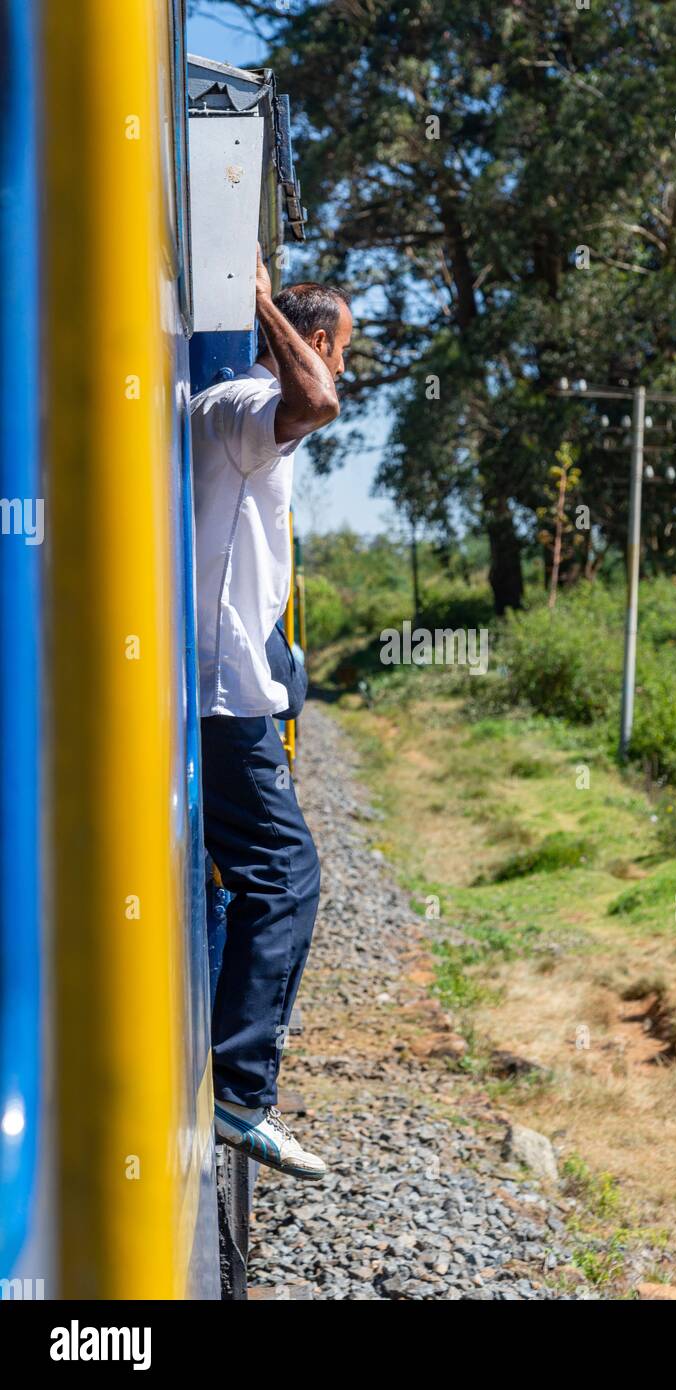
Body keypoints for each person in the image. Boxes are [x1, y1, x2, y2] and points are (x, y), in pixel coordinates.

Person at [191, 247, 352, 1178]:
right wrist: (265, 306)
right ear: (316, 340)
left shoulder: (232, 413)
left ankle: (240, 1083)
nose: (341, 369)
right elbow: (318, 400)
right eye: (341, 349)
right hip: (227, 695)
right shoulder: (254, 408)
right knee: (283, 878)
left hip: (226, 687)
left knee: (278, 876)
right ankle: (241, 1093)